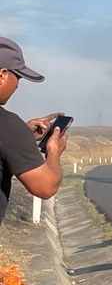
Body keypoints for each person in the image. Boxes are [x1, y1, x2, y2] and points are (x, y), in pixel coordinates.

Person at [0, 37, 66, 227]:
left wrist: (24, 136)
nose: (18, 85)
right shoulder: (7, 125)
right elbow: (46, 186)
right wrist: (54, 151)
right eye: (18, 77)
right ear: (2, 74)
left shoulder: (10, 130)